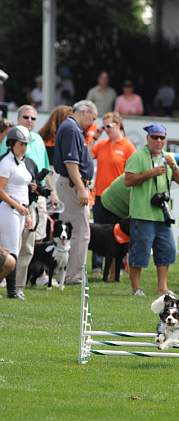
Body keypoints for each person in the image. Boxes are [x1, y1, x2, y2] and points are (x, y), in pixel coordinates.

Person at [124, 122, 179, 296]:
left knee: (166, 251)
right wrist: (149, 173)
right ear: (148, 138)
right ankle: (136, 289)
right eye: (155, 137)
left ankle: (163, 287)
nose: (158, 141)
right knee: (140, 253)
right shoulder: (138, 156)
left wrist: (173, 166)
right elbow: (128, 181)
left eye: (162, 138)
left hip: (162, 214)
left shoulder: (168, 158)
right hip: (142, 213)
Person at [53, 100, 97, 284]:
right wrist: (81, 189)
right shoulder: (71, 129)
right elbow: (71, 164)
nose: (92, 123)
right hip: (72, 186)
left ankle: (68, 273)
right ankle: (73, 276)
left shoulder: (72, 128)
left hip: (71, 185)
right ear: (85, 111)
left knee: (73, 230)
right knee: (80, 232)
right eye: (92, 118)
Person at [13, 105, 55, 294]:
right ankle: (9, 278)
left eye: (33, 118)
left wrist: (52, 192)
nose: (30, 121)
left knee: (35, 240)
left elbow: (46, 169)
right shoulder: (10, 138)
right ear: (18, 118)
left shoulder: (38, 139)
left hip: (37, 198)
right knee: (13, 241)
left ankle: (30, 278)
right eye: (26, 117)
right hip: (15, 197)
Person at [89, 111, 135, 272]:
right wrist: (94, 137)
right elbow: (87, 155)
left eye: (109, 126)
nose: (107, 129)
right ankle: (97, 264)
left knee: (118, 231)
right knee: (97, 230)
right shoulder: (102, 145)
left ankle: (119, 265)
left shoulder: (128, 147)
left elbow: (132, 172)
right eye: (104, 126)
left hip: (117, 197)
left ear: (119, 125)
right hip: (100, 194)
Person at [0, 126, 32, 300]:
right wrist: (17, 206)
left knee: (16, 250)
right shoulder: (6, 163)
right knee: (11, 251)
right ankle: (12, 291)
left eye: (26, 144)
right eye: (21, 144)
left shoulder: (22, 161)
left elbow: (24, 189)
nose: (24, 147)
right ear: (12, 143)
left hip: (20, 210)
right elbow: (0, 190)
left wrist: (26, 213)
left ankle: (12, 289)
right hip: (9, 210)